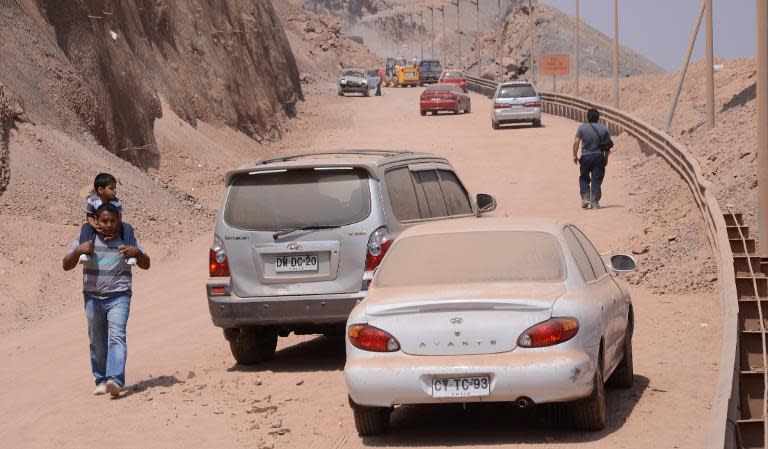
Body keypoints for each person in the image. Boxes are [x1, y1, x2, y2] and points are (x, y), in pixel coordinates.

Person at [63, 203, 150, 397]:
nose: (108, 225)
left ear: (119, 219)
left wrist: (137, 253)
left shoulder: (128, 238)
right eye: (104, 221)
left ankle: (115, 380)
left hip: (119, 296)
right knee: (97, 341)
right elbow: (65, 265)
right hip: (92, 298)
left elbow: (146, 264)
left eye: (112, 220)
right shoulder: (86, 239)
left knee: (117, 336)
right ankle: (101, 380)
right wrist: (78, 251)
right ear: (96, 221)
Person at [79, 173, 137, 265]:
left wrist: (116, 233)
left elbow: (119, 219)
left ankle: (130, 255)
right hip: (98, 226)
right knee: (86, 227)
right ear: (100, 190)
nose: (115, 190)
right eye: (111, 188)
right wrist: (94, 226)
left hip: (113, 227)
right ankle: (84, 253)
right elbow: (89, 216)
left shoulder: (116, 202)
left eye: (115, 188)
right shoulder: (93, 201)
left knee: (127, 227)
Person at [572, 108, 613, 209]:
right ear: (598, 118)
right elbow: (608, 147)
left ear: (587, 117)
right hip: (599, 157)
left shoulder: (582, 128)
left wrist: (574, 155)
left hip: (585, 157)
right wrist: (606, 159)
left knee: (584, 177)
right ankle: (594, 201)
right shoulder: (604, 129)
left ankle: (585, 197)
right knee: (596, 179)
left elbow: (576, 142)